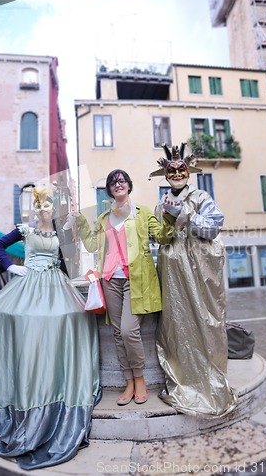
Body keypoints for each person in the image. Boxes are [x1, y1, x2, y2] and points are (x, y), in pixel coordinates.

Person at [0, 186, 101, 470]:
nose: (43, 211)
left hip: (55, 284)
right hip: (30, 283)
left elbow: (73, 257)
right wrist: (11, 266)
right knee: (24, 324)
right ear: (35, 210)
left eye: (47, 207)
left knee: (72, 319)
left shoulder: (60, 232)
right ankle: (29, 387)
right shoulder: (24, 230)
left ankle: (59, 380)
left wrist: (75, 229)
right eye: (40, 208)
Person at [65, 169, 174, 406]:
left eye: (122, 180)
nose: (118, 184)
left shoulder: (142, 213)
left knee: (127, 330)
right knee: (116, 332)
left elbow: (164, 237)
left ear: (129, 185)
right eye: (113, 182)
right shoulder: (104, 218)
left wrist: (171, 215)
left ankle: (139, 378)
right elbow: (93, 245)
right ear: (109, 189)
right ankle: (128, 381)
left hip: (137, 279)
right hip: (109, 279)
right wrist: (81, 221)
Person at [150, 144, 237, 416]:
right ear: (165, 174)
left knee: (205, 325)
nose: (177, 173)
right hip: (174, 277)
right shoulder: (161, 202)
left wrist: (183, 214)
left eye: (181, 169)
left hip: (199, 276)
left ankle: (209, 385)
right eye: (171, 170)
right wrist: (165, 220)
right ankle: (185, 380)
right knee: (178, 327)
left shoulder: (201, 196)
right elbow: (159, 238)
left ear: (189, 171)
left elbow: (213, 227)